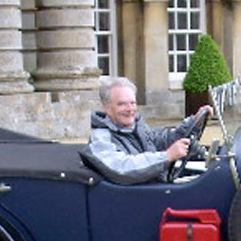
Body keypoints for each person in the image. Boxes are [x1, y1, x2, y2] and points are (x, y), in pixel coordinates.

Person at [81, 77, 212, 184]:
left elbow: (161, 139)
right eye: (122, 104)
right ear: (107, 108)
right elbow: (122, 168)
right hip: (131, 199)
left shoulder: (135, 126)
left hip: (152, 188)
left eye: (132, 103)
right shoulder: (100, 139)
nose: (130, 109)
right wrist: (167, 156)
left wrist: (194, 123)